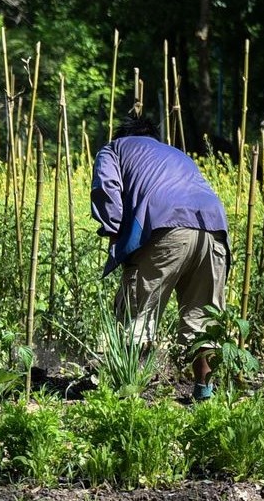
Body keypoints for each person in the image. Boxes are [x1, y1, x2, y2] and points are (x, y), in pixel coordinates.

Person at [90, 116, 229, 401]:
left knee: (136, 315)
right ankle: (204, 394)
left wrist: (113, 230)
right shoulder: (176, 154)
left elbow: (106, 189)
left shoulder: (114, 149)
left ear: (124, 134)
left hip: (165, 227)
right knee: (204, 320)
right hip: (214, 228)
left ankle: (129, 393)